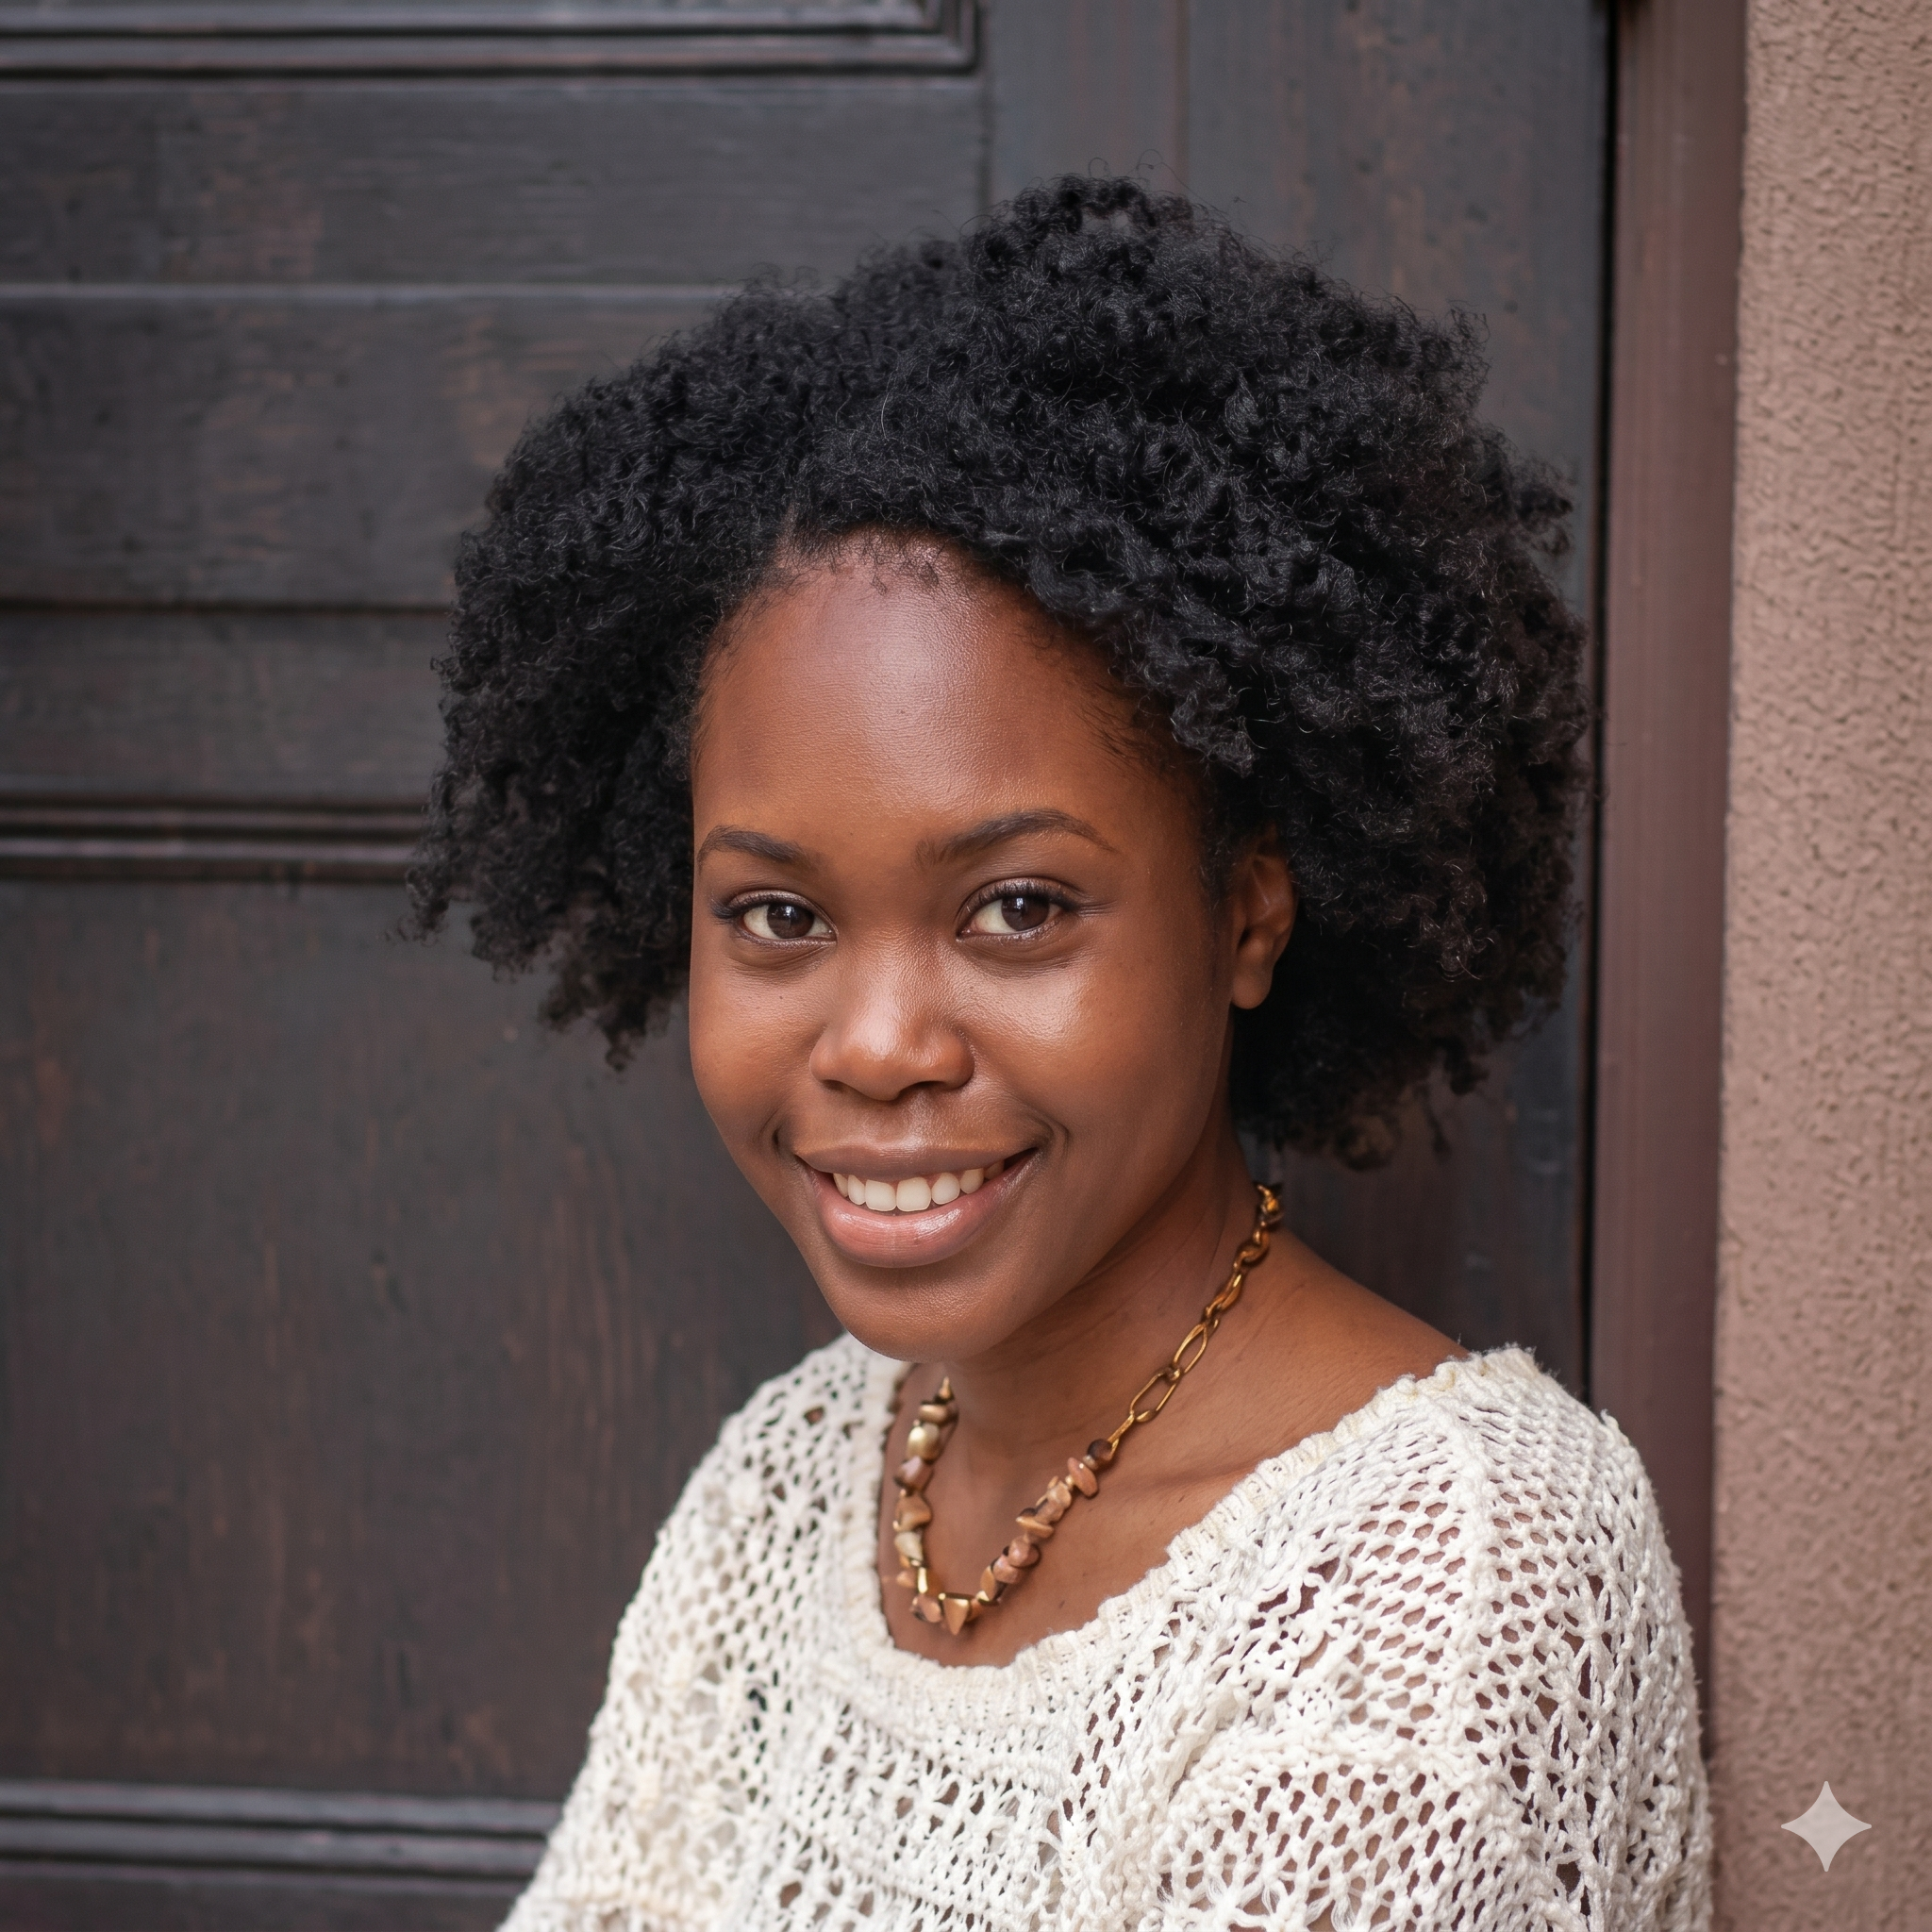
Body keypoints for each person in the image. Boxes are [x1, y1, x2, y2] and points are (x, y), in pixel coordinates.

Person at [409, 176, 1709, 1930]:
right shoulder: (803, 1478)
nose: (874, 1047)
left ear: (1249, 912)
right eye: (779, 918)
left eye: (1017, 909)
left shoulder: (1448, 1570)